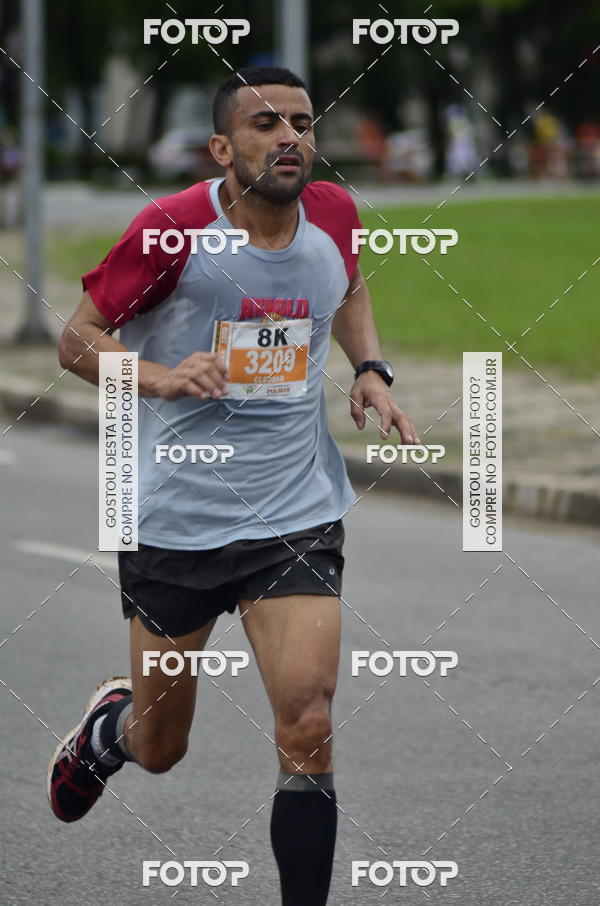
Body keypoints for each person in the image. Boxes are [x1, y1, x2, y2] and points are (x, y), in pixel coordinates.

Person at [48, 65, 419, 905]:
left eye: (301, 121)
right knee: (162, 746)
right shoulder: (170, 232)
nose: (290, 137)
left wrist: (369, 368)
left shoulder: (332, 211)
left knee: (310, 724)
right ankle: (113, 729)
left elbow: (350, 282)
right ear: (222, 148)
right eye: (264, 125)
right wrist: (160, 377)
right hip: (176, 519)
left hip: (296, 513)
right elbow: (74, 343)